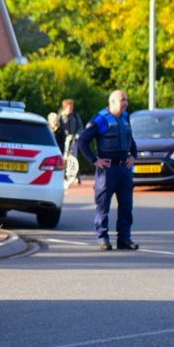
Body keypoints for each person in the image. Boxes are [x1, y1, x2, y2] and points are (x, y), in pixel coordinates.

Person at [78, 89, 139, 251]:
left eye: (126, 99)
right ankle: (103, 238)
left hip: (124, 169)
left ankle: (124, 239)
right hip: (108, 170)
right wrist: (94, 160)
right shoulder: (101, 119)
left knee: (126, 206)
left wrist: (134, 155)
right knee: (103, 206)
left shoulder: (125, 118)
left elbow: (130, 139)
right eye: (122, 100)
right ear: (111, 102)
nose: (125, 103)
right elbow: (83, 141)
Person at [58, 98, 84, 185]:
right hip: (63, 141)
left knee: (73, 159)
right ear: (65, 107)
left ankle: (76, 176)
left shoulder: (75, 116)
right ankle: (64, 176)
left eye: (72, 107)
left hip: (73, 141)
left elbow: (80, 127)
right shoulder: (60, 117)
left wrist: (77, 135)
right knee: (64, 158)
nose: (71, 109)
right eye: (70, 107)